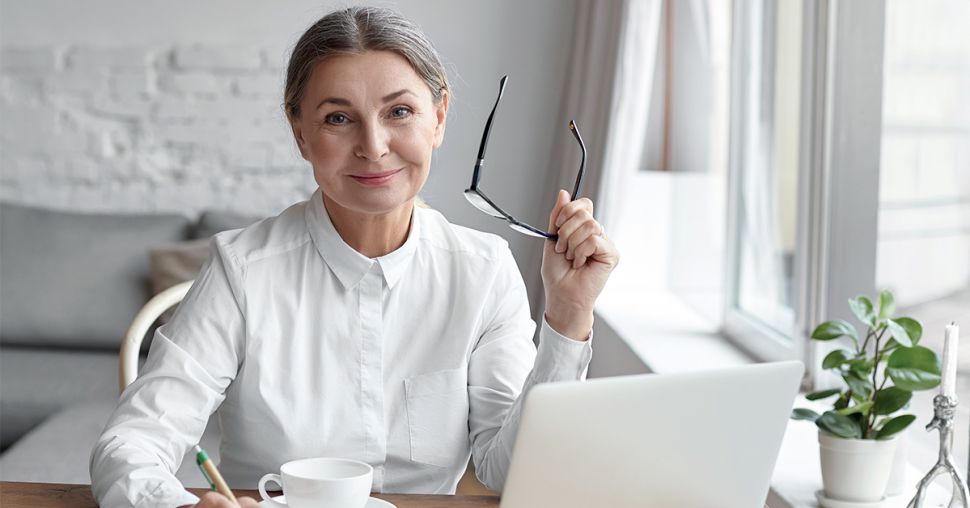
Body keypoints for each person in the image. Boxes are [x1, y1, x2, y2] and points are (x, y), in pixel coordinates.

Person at [90, 6, 619, 508]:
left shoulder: (484, 270)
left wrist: (569, 315)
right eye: (339, 118)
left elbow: (510, 470)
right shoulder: (241, 268)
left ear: (439, 118)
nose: (373, 145)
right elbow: (131, 446)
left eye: (400, 112)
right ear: (301, 134)